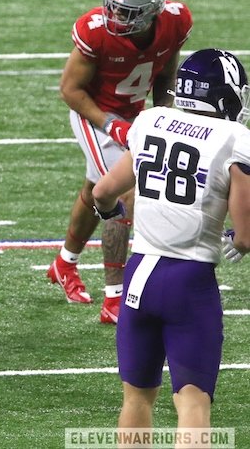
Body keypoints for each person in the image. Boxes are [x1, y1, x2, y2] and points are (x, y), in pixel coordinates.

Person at [92, 49, 250, 437]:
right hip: (189, 280)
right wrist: (239, 242)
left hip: (139, 276)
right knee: (192, 402)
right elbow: (245, 233)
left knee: (136, 398)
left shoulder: (150, 120)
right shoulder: (234, 137)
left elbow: (103, 192)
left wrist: (111, 213)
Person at [46, 0, 192, 324]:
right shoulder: (95, 32)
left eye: (125, 12)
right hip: (93, 113)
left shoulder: (174, 21)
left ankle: (64, 263)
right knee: (123, 194)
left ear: (152, 11)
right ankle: (115, 298)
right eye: (112, 5)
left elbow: (166, 73)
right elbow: (70, 90)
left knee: (96, 189)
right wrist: (112, 126)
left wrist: (165, 115)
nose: (113, 15)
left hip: (133, 115)